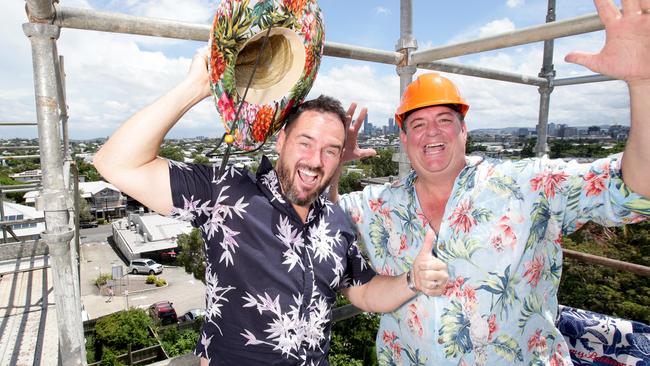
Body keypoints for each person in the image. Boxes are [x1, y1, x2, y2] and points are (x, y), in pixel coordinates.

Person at [332, 0, 650, 364]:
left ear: (465, 130)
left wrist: (642, 84)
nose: (431, 133)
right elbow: (322, 219)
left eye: (445, 120)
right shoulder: (378, 204)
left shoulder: (529, 186)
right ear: (403, 138)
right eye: (417, 124)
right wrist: (335, 163)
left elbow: (635, 189)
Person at [92, 49, 449, 365]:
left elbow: (366, 292)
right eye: (305, 143)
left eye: (330, 150)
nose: (314, 160)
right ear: (281, 141)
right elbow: (116, 163)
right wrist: (196, 87)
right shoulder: (228, 194)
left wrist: (411, 280)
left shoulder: (336, 223)